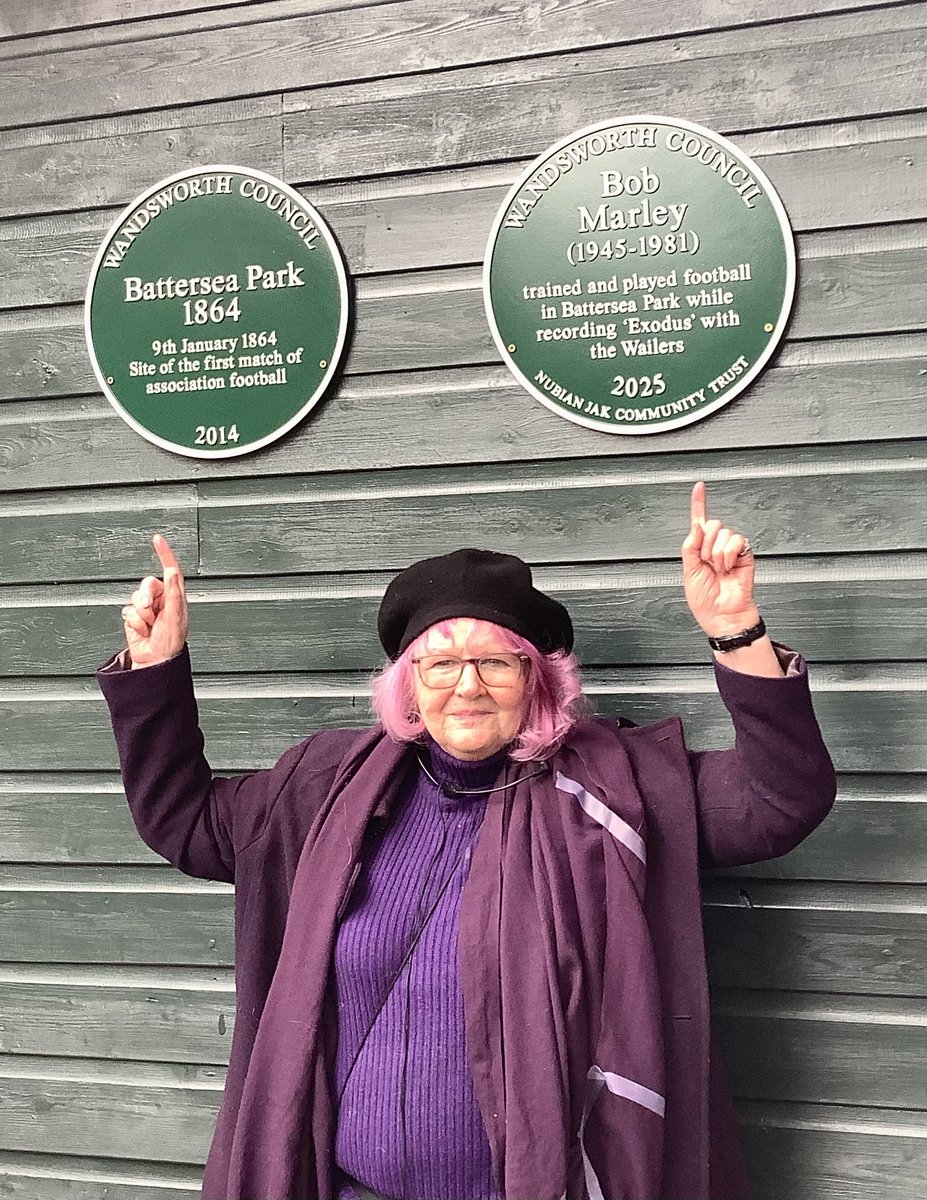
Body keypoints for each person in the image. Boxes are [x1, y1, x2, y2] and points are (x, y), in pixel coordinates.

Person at [98, 481, 836, 1200]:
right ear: (408, 683)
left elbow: (778, 801)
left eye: (494, 661)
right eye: (441, 662)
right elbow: (185, 820)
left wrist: (735, 631)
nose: (467, 685)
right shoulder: (324, 788)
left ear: (537, 678)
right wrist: (157, 670)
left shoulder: (619, 788)